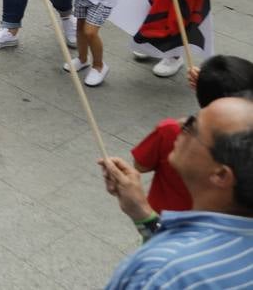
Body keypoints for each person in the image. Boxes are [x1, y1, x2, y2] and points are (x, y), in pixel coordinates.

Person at [100, 96, 253, 289]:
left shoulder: (161, 272)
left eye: (192, 125)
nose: (180, 122)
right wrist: (142, 214)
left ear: (221, 175)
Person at [132, 55, 253, 216]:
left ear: (222, 175)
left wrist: (140, 214)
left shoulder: (171, 130)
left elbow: (141, 165)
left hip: (168, 220)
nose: (184, 127)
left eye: (192, 129)